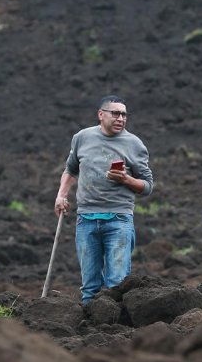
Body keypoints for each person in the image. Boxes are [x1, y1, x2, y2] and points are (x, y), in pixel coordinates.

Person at [55, 96, 154, 304]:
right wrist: (61, 195)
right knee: (89, 285)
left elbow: (147, 186)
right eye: (115, 113)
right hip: (86, 219)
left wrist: (126, 179)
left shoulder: (134, 144)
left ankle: (115, 330)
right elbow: (71, 169)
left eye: (124, 114)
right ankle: (89, 328)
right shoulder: (82, 138)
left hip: (118, 219)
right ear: (101, 115)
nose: (121, 118)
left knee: (116, 283)